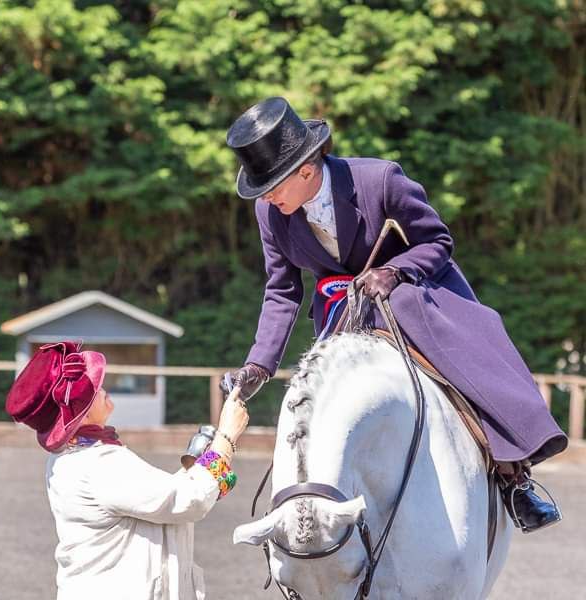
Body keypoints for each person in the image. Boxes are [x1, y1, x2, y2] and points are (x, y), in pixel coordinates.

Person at [222, 96, 568, 533]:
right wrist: (259, 364)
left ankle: (512, 473)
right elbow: (282, 290)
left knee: (424, 326)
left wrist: (395, 270)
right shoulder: (270, 214)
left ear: (305, 170)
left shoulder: (380, 180)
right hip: (342, 311)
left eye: (271, 186)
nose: (268, 197)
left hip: (413, 295)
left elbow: (438, 242)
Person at [5, 340, 248, 599]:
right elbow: (186, 500)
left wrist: (203, 460)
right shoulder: (99, 464)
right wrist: (226, 439)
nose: (101, 388)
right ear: (80, 414)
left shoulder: (74, 457)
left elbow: (158, 499)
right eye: (93, 389)